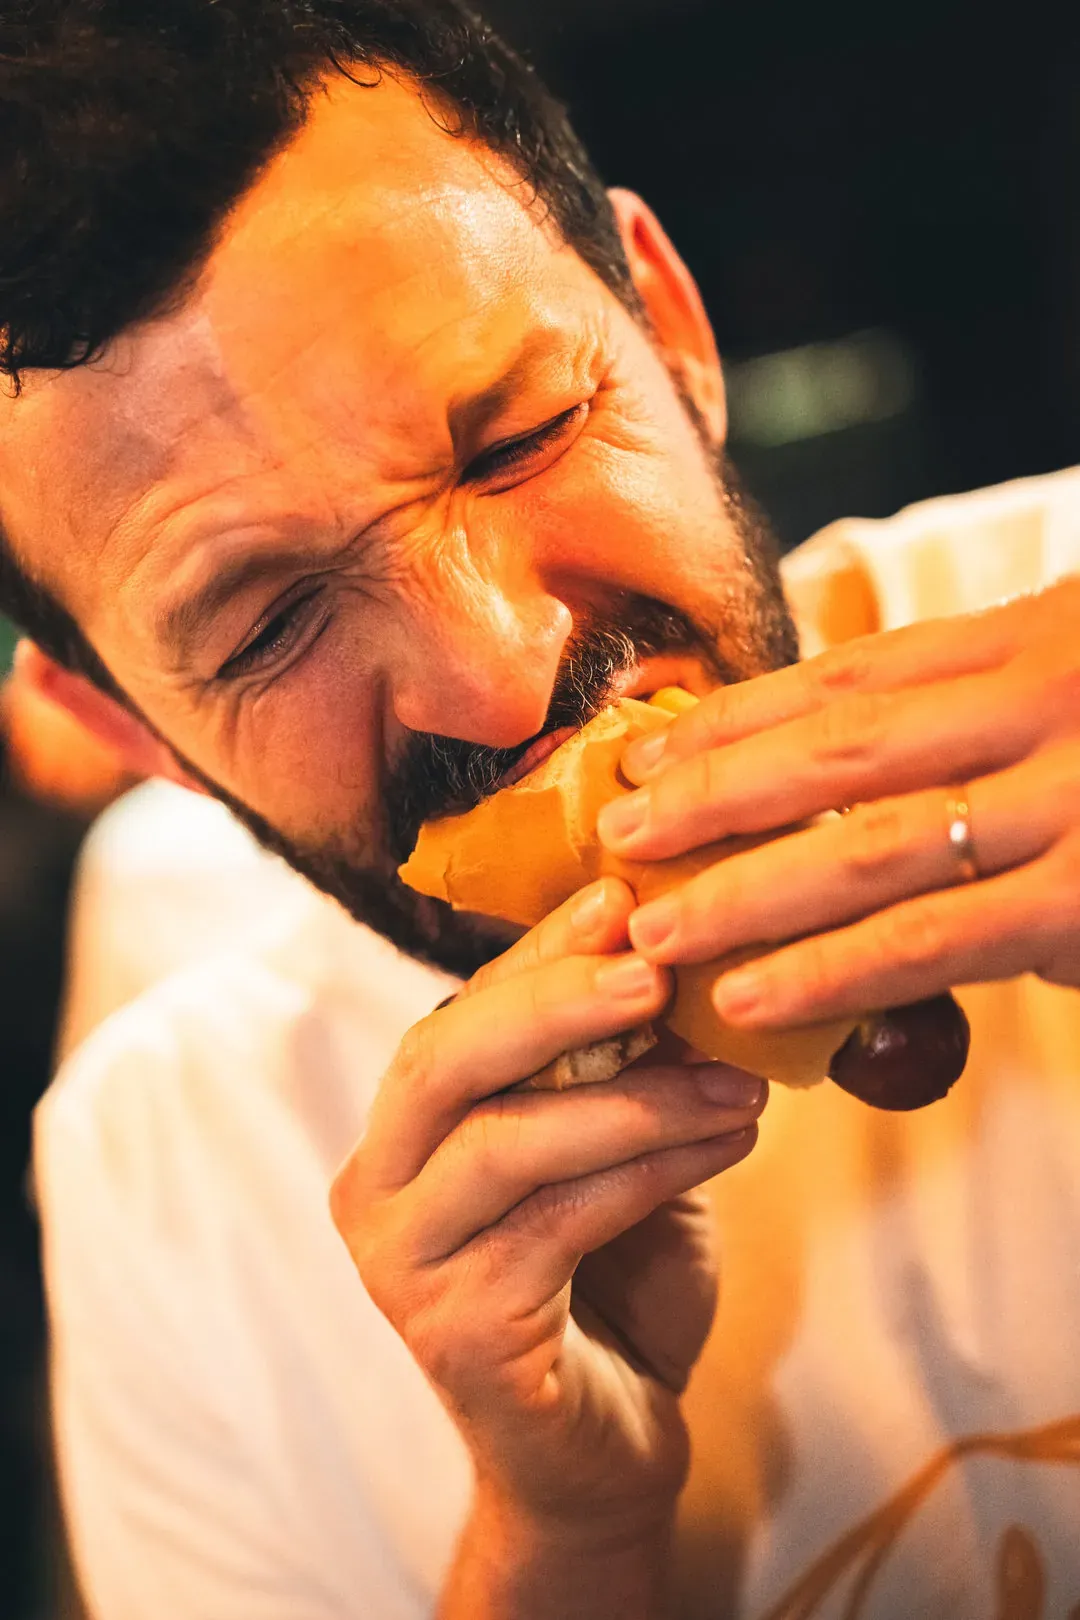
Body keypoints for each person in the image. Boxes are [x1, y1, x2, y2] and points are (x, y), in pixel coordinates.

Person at [1, 2, 1077, 1615]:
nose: (499, 678)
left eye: (522, 436)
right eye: (271, 625)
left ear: (674, 332)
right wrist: (558, 1534)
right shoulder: (174, 1171)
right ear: (126, 729)